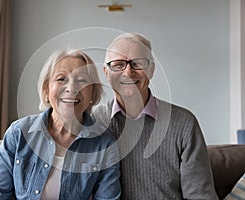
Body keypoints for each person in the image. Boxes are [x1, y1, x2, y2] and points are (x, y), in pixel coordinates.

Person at [92, 32, 219, 199]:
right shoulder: (93, 122)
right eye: (118, 65)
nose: (128, 73)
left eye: (138, 63)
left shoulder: (184, 124)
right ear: (106, 72)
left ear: (151, 70)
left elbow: (201, 196)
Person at [0, 49, 121, 200]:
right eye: (61, 79)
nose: (72, 88)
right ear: (46, 90)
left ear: (92, 93)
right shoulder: (18, 133)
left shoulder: (105, 144)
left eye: (82, 80)